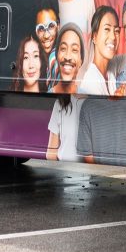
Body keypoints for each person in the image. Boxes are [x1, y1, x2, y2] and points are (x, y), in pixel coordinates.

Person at [46, 23, 84, 161]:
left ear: (81, 60)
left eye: (74, 50)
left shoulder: (86, 99)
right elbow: (51, 152)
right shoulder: (56, 101)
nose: (68, 56)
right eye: (63, 49)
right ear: (57, 56)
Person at [77, 6, 119, 96]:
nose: (113, 37)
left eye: (116, 31)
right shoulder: (91, 82)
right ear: (94, 37)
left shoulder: (110, 73)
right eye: (107, 29)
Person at [33, 0, 60, 90]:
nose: (46, 35)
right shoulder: (37, 60)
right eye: (41, 28)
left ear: (59, 25)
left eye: (51, 26)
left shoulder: (55, 58)